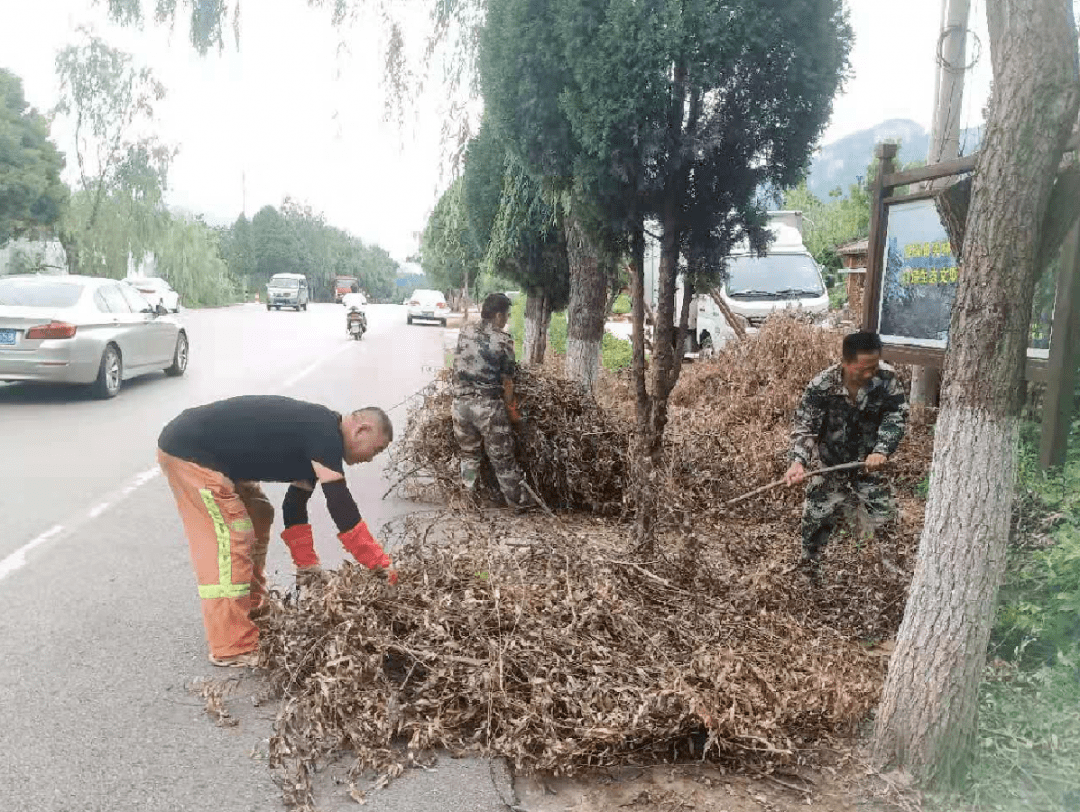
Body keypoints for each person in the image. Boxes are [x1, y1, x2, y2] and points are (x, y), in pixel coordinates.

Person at [157, 395, 397, 667]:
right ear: (361, 429)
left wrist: (307, 565)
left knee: (259, 513)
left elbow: (294, 506)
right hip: (190, 453)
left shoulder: (319, 437)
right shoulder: (325, 434)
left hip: (212, 456)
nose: (370, 460)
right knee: (231, 536)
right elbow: (341, 508)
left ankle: (252, 609)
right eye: (375, 450)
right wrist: (379, 565)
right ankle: (230, 645)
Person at [781, 331, 909, 577]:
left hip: (869, 464)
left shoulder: (887, 378)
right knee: (815, 519)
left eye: (874, 366)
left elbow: (896, 415)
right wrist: (798, 462)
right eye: (863, 368)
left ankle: (893, 576)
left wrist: (882, 449)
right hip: (831, 464)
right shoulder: (822, 385)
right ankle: (810, 572)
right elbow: (805, 426)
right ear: (846, 363)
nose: (870, 373)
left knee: (886, 518)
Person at [451, 292, 535, 510]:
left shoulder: (465, 332)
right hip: (487, 409)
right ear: (498, 315)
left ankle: (466, 500)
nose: (506, 319)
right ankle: (518, 503)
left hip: (460, 405)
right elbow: (508, 384)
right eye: (506, 315)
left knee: (469, 455)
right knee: (503, 459)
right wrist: (514, 413)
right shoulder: (503, 342)